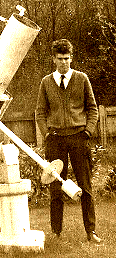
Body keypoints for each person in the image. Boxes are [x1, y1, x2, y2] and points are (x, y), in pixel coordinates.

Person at [35, 39, 102, 243]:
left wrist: (88, 132)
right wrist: (47, 133)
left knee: (85, 185)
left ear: (71, 58)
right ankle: (56, 232)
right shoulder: (46, 82)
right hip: (55, 140)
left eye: (67, 58)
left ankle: (90, 232)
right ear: (53, 59)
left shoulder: (82, 79)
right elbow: (40, 112)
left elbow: (92, 108)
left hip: (79, 138)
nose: (64, 62)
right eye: (59, 59)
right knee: (56, 187)